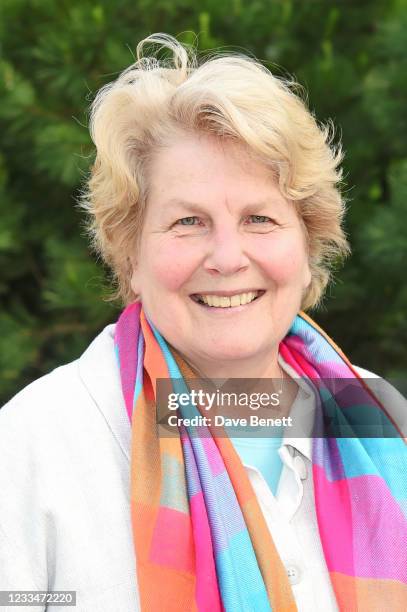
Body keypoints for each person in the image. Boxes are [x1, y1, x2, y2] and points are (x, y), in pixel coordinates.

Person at [0, 33, 406, 612]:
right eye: (188, 221)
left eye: (260, 218)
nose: (227, 256)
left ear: (307, 240)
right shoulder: (36, 446)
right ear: (130, 254)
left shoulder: (381, 419)